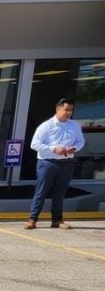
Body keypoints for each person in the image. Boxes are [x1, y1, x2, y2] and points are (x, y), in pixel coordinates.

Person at [26, 98, 85, 230]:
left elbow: (80, 141)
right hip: (47, 163)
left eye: (71, 110)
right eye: (66, 110)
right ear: (58, 109)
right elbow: (34, 144)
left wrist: (74, 148)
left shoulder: (74, 125)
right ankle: (32, 219)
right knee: (41, 191)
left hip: (66, 163)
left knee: (60, 193)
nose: (69, 112)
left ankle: (57, 220)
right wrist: (54, 149)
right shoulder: (46, 126)